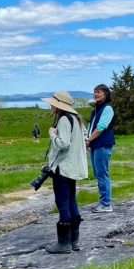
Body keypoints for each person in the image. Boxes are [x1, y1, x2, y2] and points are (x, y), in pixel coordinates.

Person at [41, 91, 88, 254]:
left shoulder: (63, 120)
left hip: (63, 168)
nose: (51, 106)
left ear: (58, 105)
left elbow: (63, 144)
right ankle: (74, 241)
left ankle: (64, 244)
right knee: (71, 201)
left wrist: (52, 135)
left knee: (62, 203)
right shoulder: (76, 119)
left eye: (53, 103)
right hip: (73, 168)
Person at [86, 84, 116, 213]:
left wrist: (89, 139)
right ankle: (103, 201)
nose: (96, 94)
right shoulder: (96, 109)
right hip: (95, 145)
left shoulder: (107, 108)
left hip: (102, 144)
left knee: (103, 174)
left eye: (99, 92)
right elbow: (91, 126)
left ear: (106, 94)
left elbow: (101, 127)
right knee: (99, 174)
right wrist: (88, 139)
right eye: (95, 92)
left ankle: (106, 203)